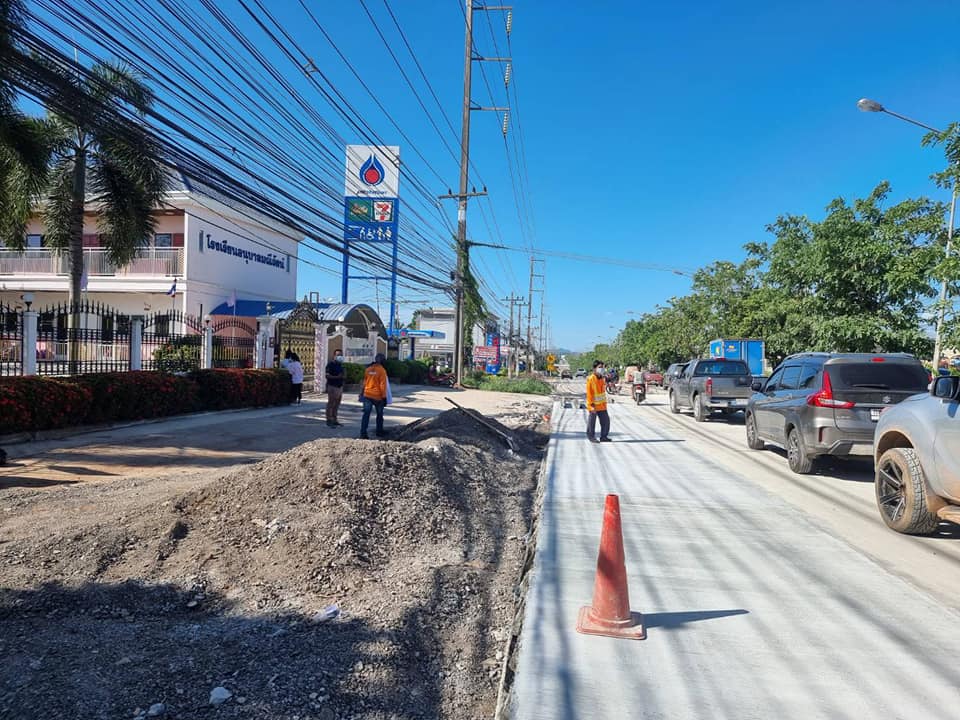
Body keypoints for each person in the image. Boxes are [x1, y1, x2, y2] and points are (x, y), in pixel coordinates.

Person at [360, 353, 388, 439]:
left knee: (366, 415)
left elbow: (364, 382)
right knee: (379, 415)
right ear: (382, 361)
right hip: (377, 396)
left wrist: (361, 393)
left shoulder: (368, 369)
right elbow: (383, 385)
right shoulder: (382, 370)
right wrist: (384, 397)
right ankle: (379, 431)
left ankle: (363, 433)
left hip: (367, 395)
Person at [586, 360, 611, 443]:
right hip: (593, 405)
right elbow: (589, 393)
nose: (602, 369)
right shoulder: (591, 379)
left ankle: (604, 436)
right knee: (592, 422)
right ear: (594, 369)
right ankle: (591, 437)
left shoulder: (602, 379)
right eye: (600, 367)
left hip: (602, 405)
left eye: (603, 367)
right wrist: (591, 405)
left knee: (606, 421)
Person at [325, 348, 345, 427]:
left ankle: (334, 419)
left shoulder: (341, 365)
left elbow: (342, 375)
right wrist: (337, 377)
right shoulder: (330, 364)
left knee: (337, 404)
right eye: (338, 355)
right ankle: (329, 420)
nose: (340, 356)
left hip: (339, 386)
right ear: (334, 356)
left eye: (341, 355)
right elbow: (327, 376)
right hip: (332, 386)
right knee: (331, 403)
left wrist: (343, 376)